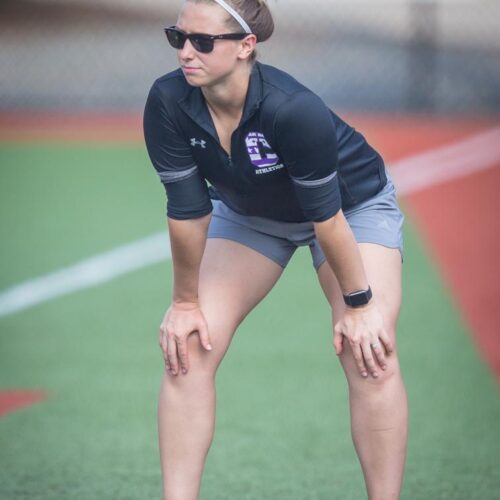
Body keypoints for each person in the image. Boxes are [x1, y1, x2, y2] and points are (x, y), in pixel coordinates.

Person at [143, 1, 409, 499]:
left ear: (247, 47)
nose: (185, 52)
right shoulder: (167, 101)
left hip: (350, 211)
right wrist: (183, 304)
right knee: (188, 349)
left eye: (203, 42)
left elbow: (326, 218)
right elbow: (188, 212)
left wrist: (358, 306)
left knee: (369, 351)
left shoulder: (291, 107)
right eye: (177, 37)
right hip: (250, 216)